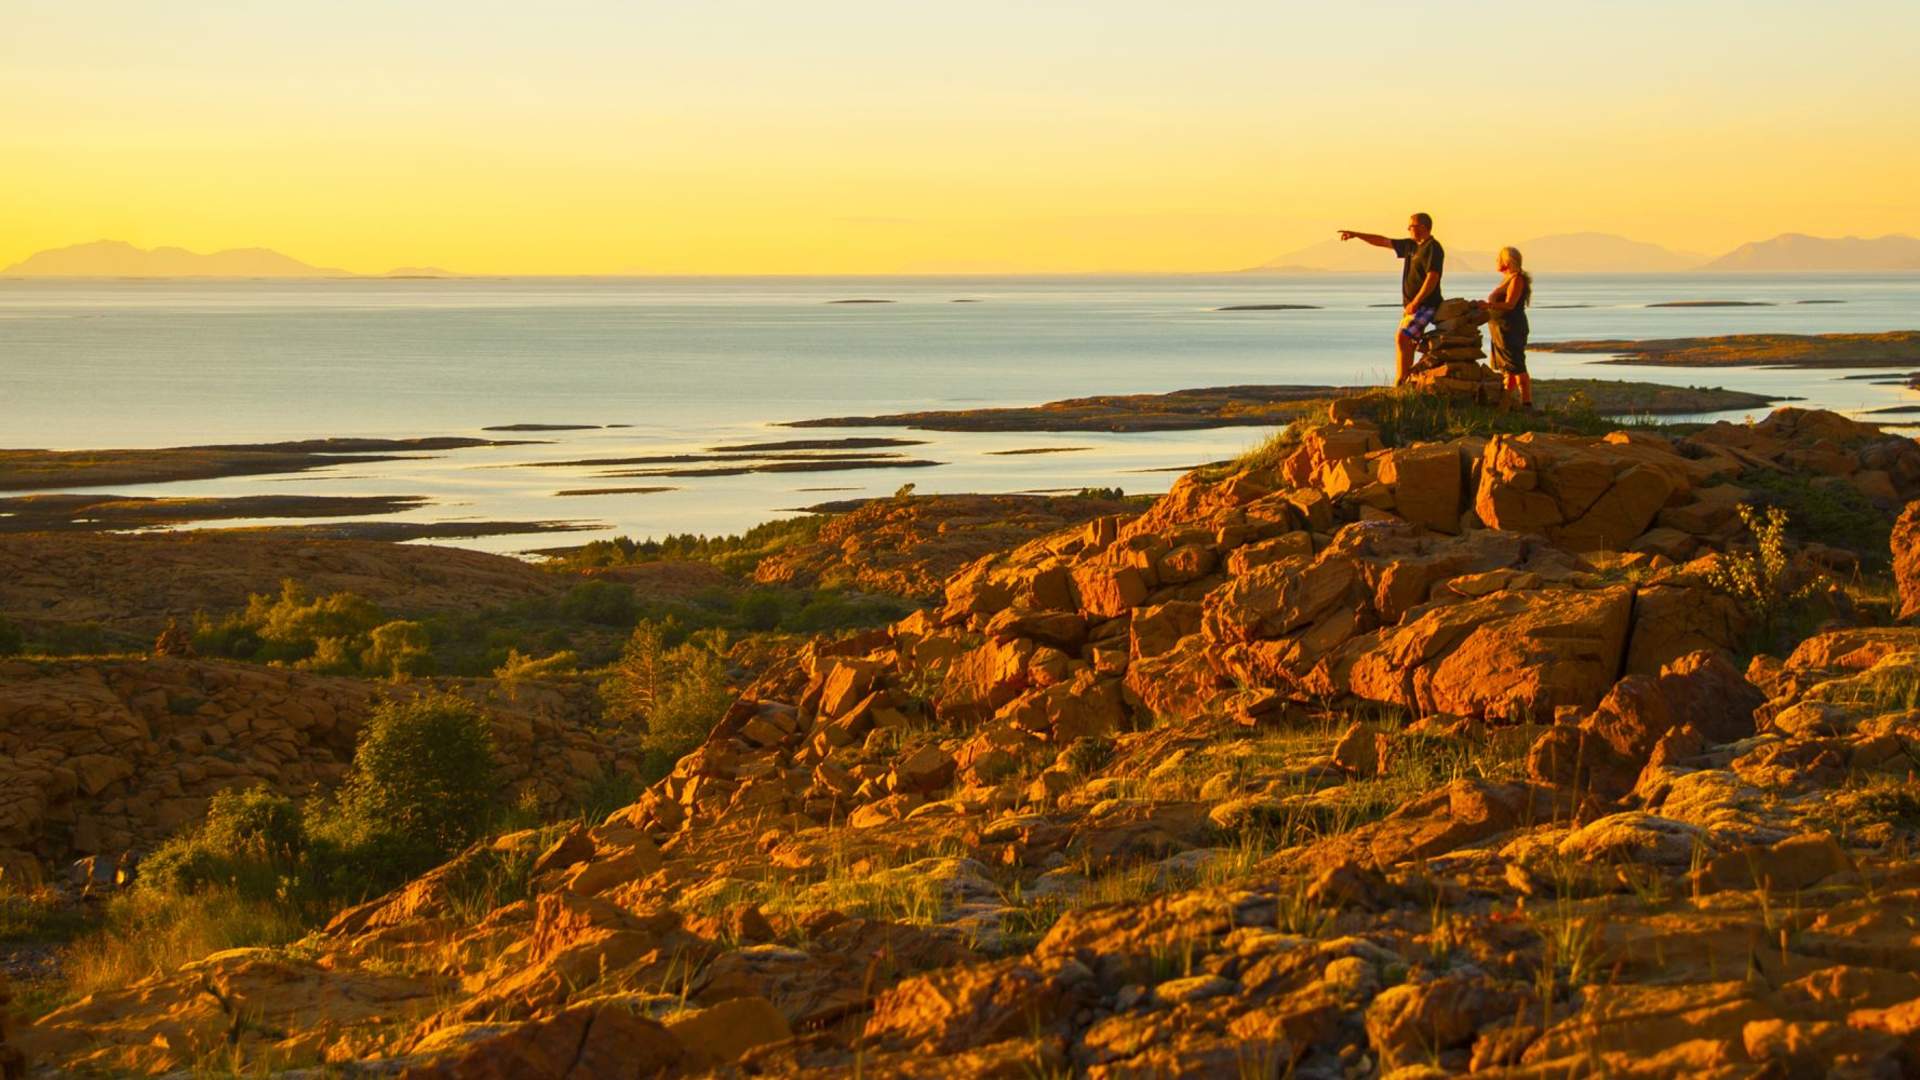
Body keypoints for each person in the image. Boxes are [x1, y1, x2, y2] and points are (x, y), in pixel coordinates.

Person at [1338, 213, 1445, 385]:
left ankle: (1401, 380)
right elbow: (1383, 241)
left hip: (1426, 305)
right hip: (1412, 307)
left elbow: (1432, 277)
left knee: (1402, 337)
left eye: (1411, 226)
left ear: (1423, 227)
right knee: (1407, 342)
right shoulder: (1411, 246)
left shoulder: (1433, 248)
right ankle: (1408, 378)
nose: (1408, 229)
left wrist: (1416, 301)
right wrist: (1357, 235)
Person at [1478, 246, 1533, 409]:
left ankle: (1526, 402)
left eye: (1498, 259)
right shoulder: (1508, 278)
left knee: (1516, 364)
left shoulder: (1517, 279)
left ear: (1507, 261)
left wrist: (1488, 305)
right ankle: (1506, 403)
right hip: (1500, 328)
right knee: (1508, 369)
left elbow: (1510, 304)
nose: (1496, 262)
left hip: (1511, 327)